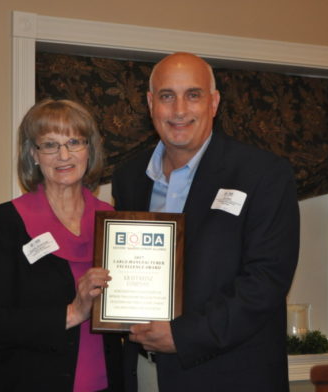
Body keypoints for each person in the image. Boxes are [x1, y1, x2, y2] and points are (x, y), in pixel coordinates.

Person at [112, 52, 300, 391]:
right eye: (167, 96)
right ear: (151, 103)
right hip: (144, 373)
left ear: (213, 103)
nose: (179, 110)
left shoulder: (263, 174)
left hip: (230, 377)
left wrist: (184, 336)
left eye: (193, 95)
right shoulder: (129, 177)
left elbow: (266, 281)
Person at [0, 99, 123, 391]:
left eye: (74, 142)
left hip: (105, 384)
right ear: (33, 155)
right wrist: (73, 312)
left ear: (89, 150)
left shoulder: (114, 222)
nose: (64, 154)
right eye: (50, 145)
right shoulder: (5, 222)